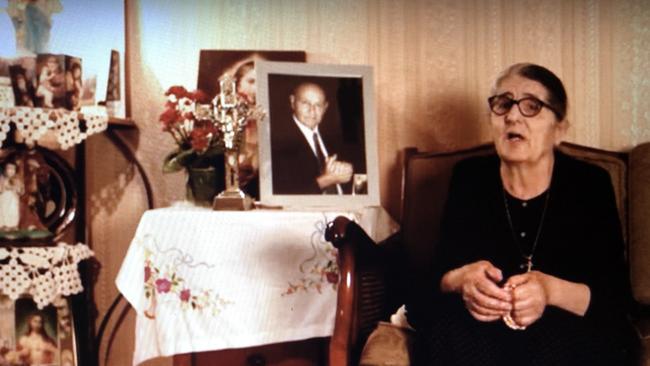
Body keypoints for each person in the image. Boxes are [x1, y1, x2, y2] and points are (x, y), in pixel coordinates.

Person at [406, 63, 636, 365]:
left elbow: (613, 300)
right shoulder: (470, 178)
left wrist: (548, 290)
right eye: (503, 105)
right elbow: (435, 279)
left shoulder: (590, 184)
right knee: (445, 331)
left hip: (568, 332)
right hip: (483, 335)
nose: (512, 116)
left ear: (559, 129)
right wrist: (461, 279)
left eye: (532, 106)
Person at [271, 81, 353, 194]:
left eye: (318, 105)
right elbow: (282, 194)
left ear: (325, 107)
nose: (312, 110)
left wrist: (348, 171)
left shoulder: (336, 137)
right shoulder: (278, 141)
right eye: (305, 103)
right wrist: (327, 180)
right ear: (292, 101)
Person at [0, 162, 24, 230]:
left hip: (14, 199)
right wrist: (5, 187)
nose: (11, 171)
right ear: (5, 170)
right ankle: (4, 225)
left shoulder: (17, 179)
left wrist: (17, 189)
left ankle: (13, 225)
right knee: (4, 211)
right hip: (4, 199)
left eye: (13, 169)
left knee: (13, 211)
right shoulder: (2, 179)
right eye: (9, 169)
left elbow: (21, 190)